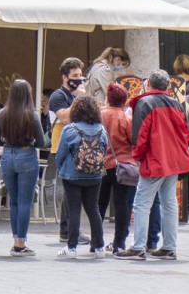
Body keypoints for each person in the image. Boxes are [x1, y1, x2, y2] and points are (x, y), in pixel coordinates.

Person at [114, 70, 189, 261]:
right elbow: (186, 134)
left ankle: (138, 246)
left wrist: (138, 157)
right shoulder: (176, 104)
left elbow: (139, 136)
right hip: (173, 159)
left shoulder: (145, 103)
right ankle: (169, 246)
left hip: (154, 159)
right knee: (169, 203)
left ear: (149, 83)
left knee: (142, 203)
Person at [0, 79, 46, 257]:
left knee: (13, 201)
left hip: (7, 156)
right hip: (27, 155)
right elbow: (41, 142)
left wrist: (8, 141)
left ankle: (16, 241)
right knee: (25, 202)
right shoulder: (32, 115)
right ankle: (21, 243)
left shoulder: (2, 114)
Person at [55, 96, 109, 258]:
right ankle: (99, 247)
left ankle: (71, 248)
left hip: (72, 175)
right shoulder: (101, 129)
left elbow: (60, 154)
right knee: (93, 209)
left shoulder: (70, 129)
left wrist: (62, 170)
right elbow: (104, 150)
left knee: (74, 210)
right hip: (95, 175)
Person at [49, 57, 86, 242]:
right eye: (75, 75)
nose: (79, 78)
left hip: (79, 147)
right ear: (65, 77)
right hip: (62, 148)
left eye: (80, 75)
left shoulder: (77, 94)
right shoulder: (59, 96)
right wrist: (79, 98)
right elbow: (65, 117)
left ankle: (70, 230)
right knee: (70, 189)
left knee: (75, 189)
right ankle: (67, 230)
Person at [99, 83, 136, 252]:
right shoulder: (126, 118)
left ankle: (97, 241)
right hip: (123, 165)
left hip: (101, 165)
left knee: (99, 203)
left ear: (108, 98)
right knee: (122, 204)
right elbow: (133, 140)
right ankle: (119, 243)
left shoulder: (99, 115)